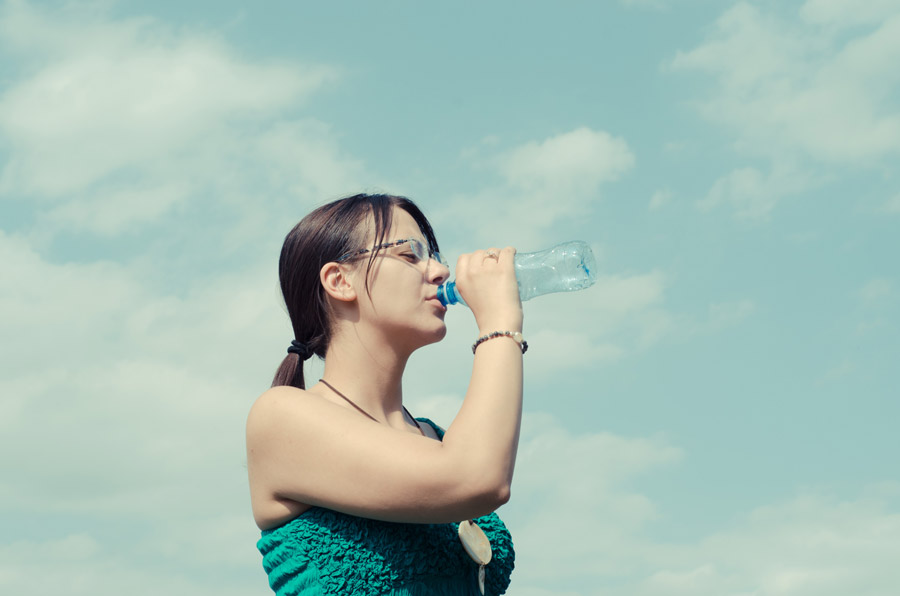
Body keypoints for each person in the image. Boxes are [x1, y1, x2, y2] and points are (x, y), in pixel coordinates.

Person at [246, 193, 525, 595]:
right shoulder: (280, 416)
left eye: (433, 255)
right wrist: (500, 324)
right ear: (339, 281)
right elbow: (477, 479)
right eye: (411, 255)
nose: (441, 271)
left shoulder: (439, 438)